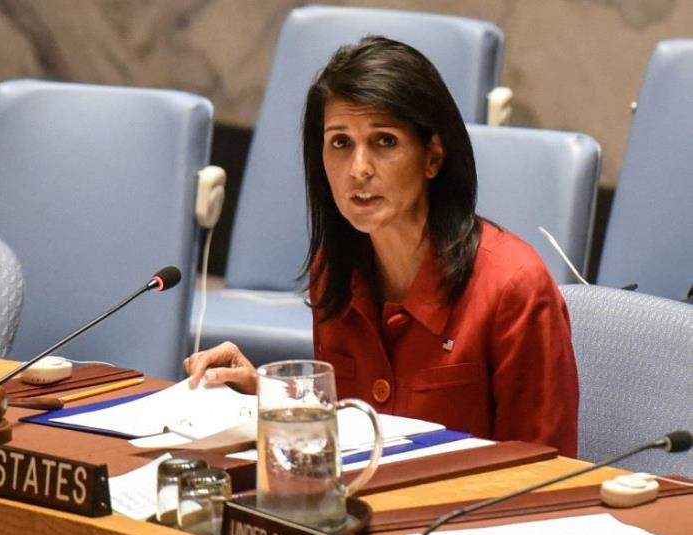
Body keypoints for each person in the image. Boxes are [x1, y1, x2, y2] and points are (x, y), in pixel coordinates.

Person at [185, 36, 579, 456]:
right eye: (340, 143)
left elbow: (546, 472)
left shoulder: (514, 288)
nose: (358, 169)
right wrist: (267, 393)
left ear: (433, 156)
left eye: (384, 141)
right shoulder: (334, 270)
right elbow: (357, 423)